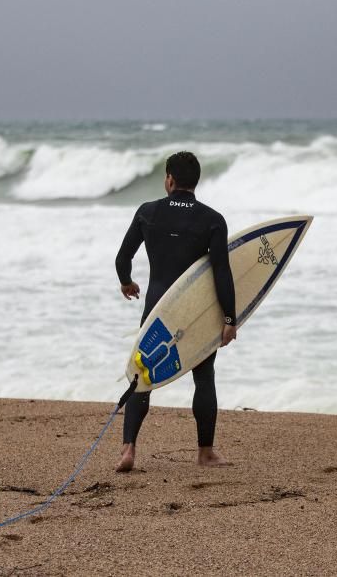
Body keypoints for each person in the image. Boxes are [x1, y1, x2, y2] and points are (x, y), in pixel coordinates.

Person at [114, 151, 237, 472]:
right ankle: (205, 452)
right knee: (204, 375)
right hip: (195, 311)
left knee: (143, 377)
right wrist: (229, 319)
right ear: (195, 181)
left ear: (169, 179)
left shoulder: (147, 212)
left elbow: (121, 259)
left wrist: (127, 282)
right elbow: (223, 273)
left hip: (157, 308)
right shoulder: (212, 219)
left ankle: (128, 450)